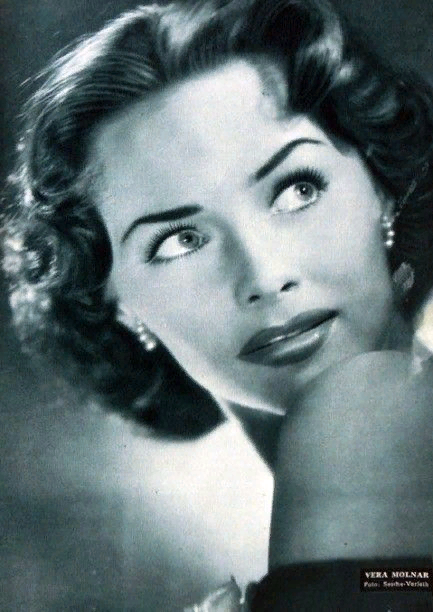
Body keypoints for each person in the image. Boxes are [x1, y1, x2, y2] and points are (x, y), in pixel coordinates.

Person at [2, 0, 432, 609]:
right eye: (181, 240)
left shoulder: (371, 410)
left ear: (381, 187)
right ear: (113, 298)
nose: (265, 276)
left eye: (297, 189)